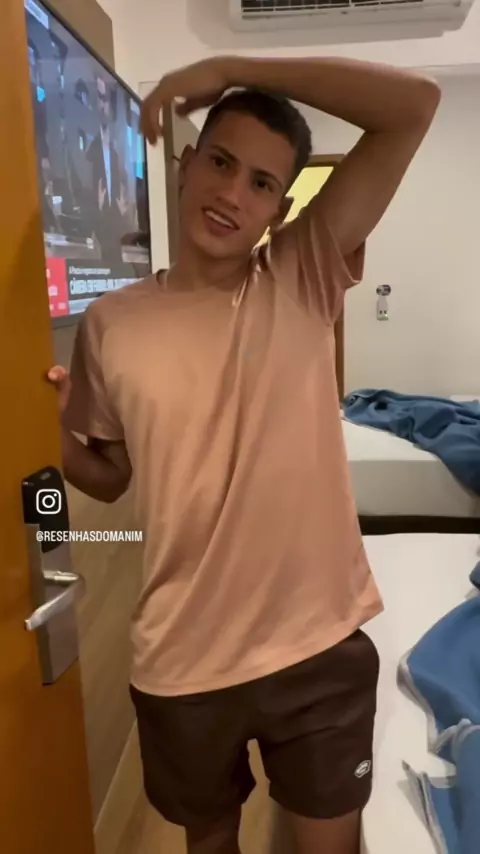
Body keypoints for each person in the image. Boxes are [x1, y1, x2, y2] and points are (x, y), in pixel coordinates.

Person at [48, 56, 440, 854]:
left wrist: (230, 65)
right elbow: (112, 477)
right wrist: (46, 439)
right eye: (222, 163)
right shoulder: (111, 324)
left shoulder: (300, 271)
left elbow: (413, 104)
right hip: (182, 659)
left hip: (316, 647)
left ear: (280, 208)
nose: (232, 194)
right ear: (187, 164)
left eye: (262, 183)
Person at [86, 74, 129, 263]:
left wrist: (123, 210)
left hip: (117, 226)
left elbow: (124, 187)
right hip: (97, 228)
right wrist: (96, 207)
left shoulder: (115, 151)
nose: (101, 105)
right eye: (97, 98)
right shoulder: (89, 149)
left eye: (104, 99)